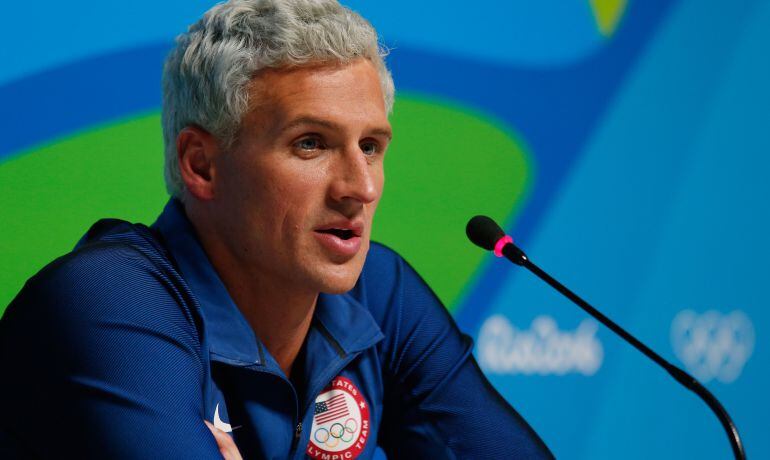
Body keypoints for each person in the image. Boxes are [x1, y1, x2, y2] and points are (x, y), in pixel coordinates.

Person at [0, 1, 553, 458]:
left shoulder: (380, 292)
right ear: (202, 166)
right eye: (310, 143)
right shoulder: (109, 299)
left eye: (371, 147)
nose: (359, 187)